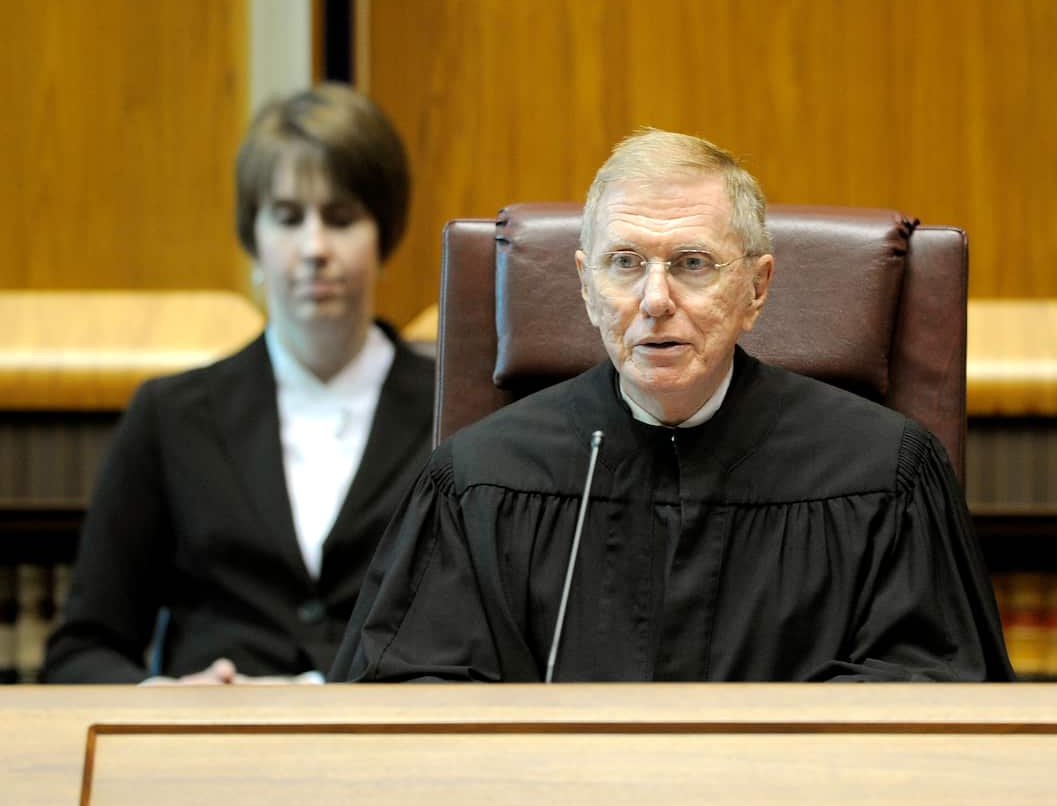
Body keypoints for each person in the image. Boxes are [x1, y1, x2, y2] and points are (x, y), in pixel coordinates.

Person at [331, 128, 1012, 683]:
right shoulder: (477, 482)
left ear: (756, 288)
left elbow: (930, 694)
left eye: (692, 263)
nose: (655, 300)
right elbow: (407, 700)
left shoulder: (884, 476)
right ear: (586, 286)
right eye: (625, 263)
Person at [43, 84, 435, 684]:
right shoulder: (170, 416)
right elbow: (82, 650)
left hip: (389, 738)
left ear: (384, 232)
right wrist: (163, 700)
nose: (314, 249)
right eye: (288, 218)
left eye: (341, 219)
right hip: (207, 741)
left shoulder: (454, 414)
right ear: (253, 238)